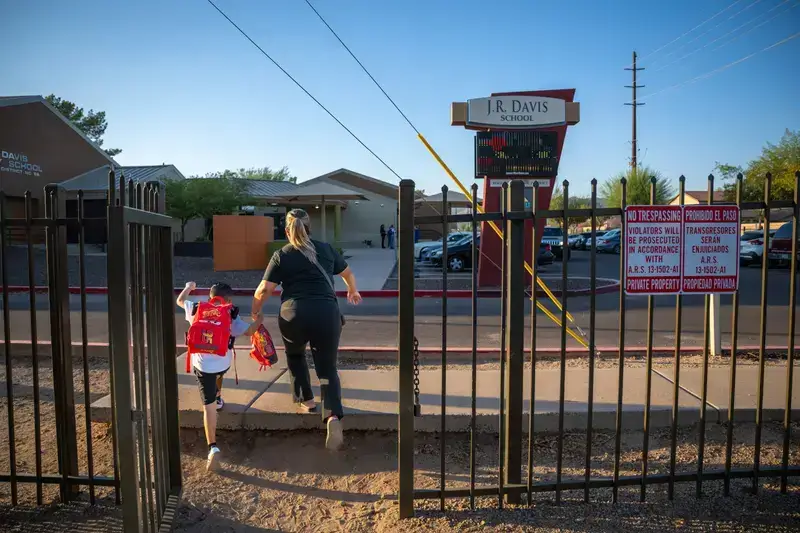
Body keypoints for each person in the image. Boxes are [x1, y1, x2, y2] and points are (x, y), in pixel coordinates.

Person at [252, 209, 362, 450]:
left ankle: (307, 401)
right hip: (326, 313)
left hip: (294, 314)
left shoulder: (281, 255)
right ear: (309, 227)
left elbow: (263, 290)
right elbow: (347, 273)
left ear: (287, 230)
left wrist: (255, 311)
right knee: (327, 365)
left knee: (295, 355)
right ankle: (332, 414)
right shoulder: (326, 248)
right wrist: (352, 290)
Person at [177, 281, 263, 471]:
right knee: (219, 370)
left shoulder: (197, 308)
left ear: (210, 296)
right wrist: (259, 320)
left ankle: (212, 447)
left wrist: (189, 287)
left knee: (208, 408)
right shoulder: (231, 314)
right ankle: (217, 396)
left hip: (201, 365)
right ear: (229, 299)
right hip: (222, 363)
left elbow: (180, 300)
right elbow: (249, 330)